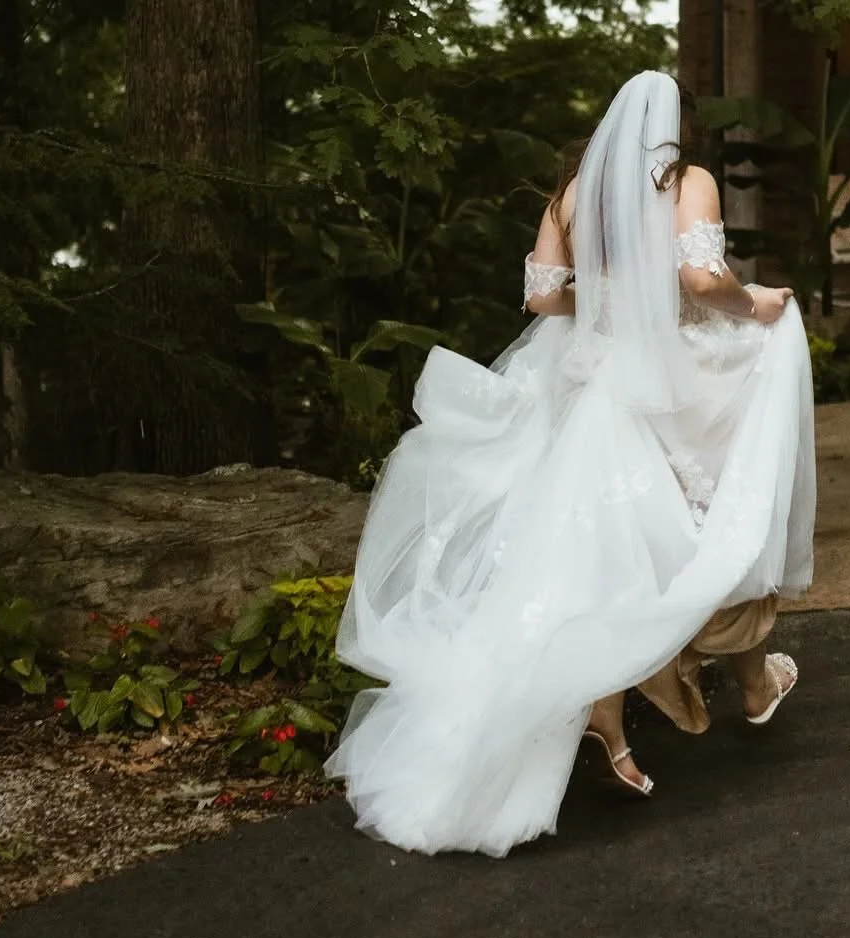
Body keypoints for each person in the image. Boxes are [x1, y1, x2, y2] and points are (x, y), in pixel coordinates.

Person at [325, 68, 815, 855]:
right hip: (673, 386)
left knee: (591, 554)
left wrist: (618, 300)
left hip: (594, 389)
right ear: (674, 128)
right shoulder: (687, 181)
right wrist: (753, 305)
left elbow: (544, 296)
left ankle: (610, 717)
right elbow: (700, 278)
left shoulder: (573, 193)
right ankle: (736, 685)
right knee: (714, 529)